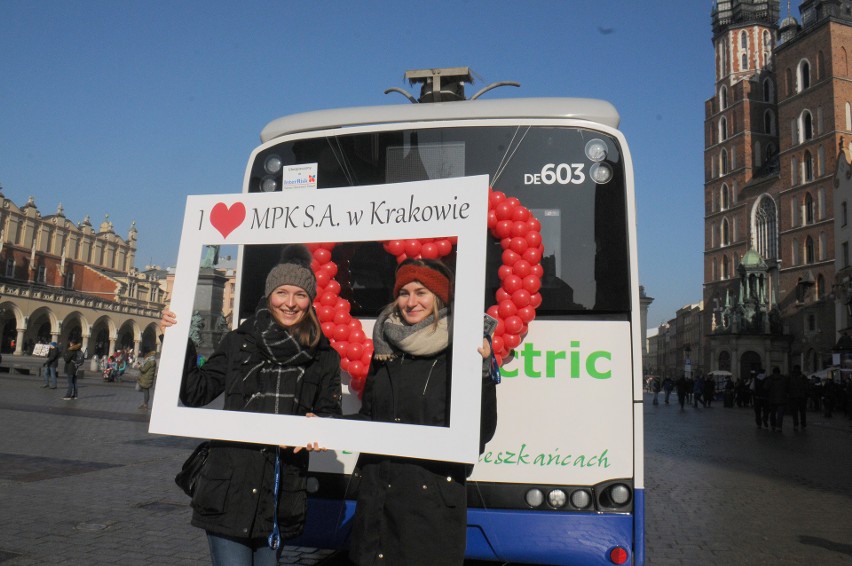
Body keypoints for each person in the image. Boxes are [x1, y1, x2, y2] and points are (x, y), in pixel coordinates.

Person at [161, 244, 341, 566]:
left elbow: (329, 414)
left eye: (300, 294)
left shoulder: (323, 356)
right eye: (282, 292)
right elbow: (195, 392)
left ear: (310, 300)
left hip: (279, 491)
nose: (289, 303)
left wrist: (320, 427)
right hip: (228, 487)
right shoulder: (239, 341)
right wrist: (177, 342)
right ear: (269, 295)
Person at [346, 258, 498, 566]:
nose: (411, 302)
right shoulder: (385, 350)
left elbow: (481, 432)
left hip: (429, 505)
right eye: (403, 292)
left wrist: (482, 376)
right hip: (377, 501)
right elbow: (370, 419)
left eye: (421, 292)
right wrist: (322, 427)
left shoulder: (462, 349)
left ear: (439, 298)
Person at [767, 366, 788, 432]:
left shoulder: (770, 378)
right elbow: (787, 388)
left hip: (772, 398)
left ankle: (773, 425)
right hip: (781, 399)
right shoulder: (784, 379)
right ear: (779, 372)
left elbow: (765, 387)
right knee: (780, 414)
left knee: (772, 413)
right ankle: (779, 427)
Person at [787, 365, 808, 431]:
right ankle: (802, 425)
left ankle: (797, 425)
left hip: (794, 397)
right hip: (800, 397)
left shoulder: (790, 377)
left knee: (796, 412)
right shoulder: (803, 377)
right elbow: (806, 387)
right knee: (801, 412)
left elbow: (787, 386)